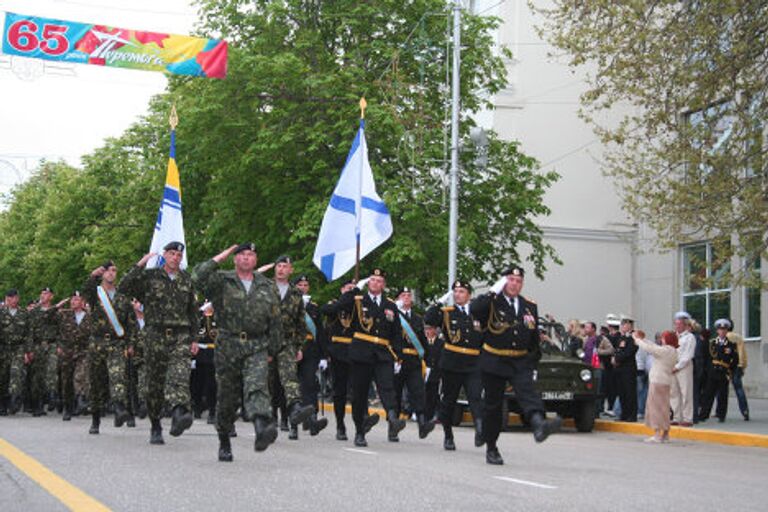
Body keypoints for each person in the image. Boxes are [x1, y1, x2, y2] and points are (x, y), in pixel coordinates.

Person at [471, 266, 561, 465]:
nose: (515, 284)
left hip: (520, 360)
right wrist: (493, 290)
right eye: (511, 280)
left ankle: (539, 425)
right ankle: (492, 447)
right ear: (504, 281)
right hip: (494, 359)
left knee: (528, 393)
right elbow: (475, 310)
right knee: (493, 406)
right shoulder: (491, 302)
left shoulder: (529, 306)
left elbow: (532, 338)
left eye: (518, 281)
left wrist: (533, 363)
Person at [118, 242, 199, 445]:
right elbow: (124, 288)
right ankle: (156, 424)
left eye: (178, 255)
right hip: (155, 335)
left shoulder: (186, 280)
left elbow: (193, 311)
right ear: (164, 255)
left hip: (180, 335)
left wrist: (194, 338)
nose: (175, 258)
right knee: (154, 384)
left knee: (179, 375)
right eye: (172, 254)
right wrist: (140, 264)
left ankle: (179, 413)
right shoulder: (150, 276)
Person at [336, 268, 406, 447]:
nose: (376, 283)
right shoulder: (358, 300)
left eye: (380, 281)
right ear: (368, 282)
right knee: (360, 394)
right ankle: (360, 431)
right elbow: (340, 306)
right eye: (373, 280)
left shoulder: (390, 305)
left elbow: (396, 332)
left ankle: (392, 417)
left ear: (384, 284)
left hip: (383, 352)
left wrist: (398, 355)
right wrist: (353, 290)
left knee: (387, 387)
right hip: (361, 352)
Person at [424, 280, 484, 451]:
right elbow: (429, 319)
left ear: (469, 295)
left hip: (473, 363)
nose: (458, 294)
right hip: (452, 363)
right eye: (455, 291)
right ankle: (448, 435)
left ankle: (480, 428)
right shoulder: (446, 313)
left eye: (462, 291)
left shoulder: (478, 313)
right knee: (449, 401)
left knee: (475, 397)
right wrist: (439, 302)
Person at [84, 261, 136, 434]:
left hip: (116, 342)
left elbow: (130, 323)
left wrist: (130, 344)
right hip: (97, 343)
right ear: (102, 273)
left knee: (118, 375)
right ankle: (95, 418)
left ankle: (119, 408)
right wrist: (93, 276)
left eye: (114, 270)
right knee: (97, 382)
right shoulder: (96, 294)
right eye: (108, 271)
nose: (111, 273)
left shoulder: (122, 297)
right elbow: (86, 291)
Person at [269, 256, 315, 441]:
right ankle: (269, 417)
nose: (281, 269)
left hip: (287, 343)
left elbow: (300, 323)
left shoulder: (296, 294)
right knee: (269, 383)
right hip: (266, 343)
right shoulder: (264, 289)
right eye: (278, 266)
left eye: (284, 266)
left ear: (291, 270)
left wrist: (298, 346)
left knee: (290, 378)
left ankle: (295, 410)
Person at [393, 287, 435, 439]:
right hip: (398, 360)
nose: (407, 297)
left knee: (418, 392)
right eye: (403, 295)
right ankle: (393, 428)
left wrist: (428, 362)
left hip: (414, 361)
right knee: (395, 394)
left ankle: (422, 424)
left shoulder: (417, 319)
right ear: (397, 299)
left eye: (409, 295)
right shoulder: (394, 317)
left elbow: (423, 342)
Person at [320, 280, 357, 440]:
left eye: (352, 289)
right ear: (342, 290)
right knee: (339, 391)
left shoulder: (359, 307)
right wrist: (349, 295)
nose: (350, 291)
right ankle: (340, 424)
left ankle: (361, 422)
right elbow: (327, 310)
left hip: (356, 353)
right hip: (338, 353)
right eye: (348, 289)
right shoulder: (335, 304)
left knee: (358, 390)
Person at [293, 274, 329, 436]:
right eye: (300, 285)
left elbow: (320, 333)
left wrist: (323, 355)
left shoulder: (314, 307)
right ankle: (292, 423)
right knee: (293, 386)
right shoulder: (288, 303)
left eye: (305, 285)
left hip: (310, 350)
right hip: (292, 348)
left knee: (310, 384)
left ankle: (312, 419)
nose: (303, 287)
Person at [632, 330, 678, 443]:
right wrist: (643, 339)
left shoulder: (665, 350)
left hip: (657, 381)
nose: (661, 340)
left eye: (663, 338)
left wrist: (637, 340)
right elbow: (653, 346)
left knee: (655, 408)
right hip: (665, 381)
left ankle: (657, 434)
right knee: (664, 408)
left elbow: (650, 349)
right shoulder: (673, 351)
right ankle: (665, 434)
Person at [56, 291, 91, 421]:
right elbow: (44, 318)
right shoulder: (64, 314)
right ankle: (68, 407)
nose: (73, 302)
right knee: (67, 381)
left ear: (82, 302)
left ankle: (81, 398)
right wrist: (57, 307)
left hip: (83, 351)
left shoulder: (89, 316)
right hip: (67, 351)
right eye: (72, 299)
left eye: (76, 299)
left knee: (80, 375)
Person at [698, 319, 739, 423]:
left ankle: (721, 415)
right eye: (720, 329)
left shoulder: (731, 345)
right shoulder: (712, 343)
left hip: (723, 371)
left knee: (723, 395)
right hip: (713, 371)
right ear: (717, 331)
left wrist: (730, 371)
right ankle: (704, 414)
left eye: (724, 329)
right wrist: (707, 371)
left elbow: (735, 359)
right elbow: (707, 358)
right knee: (708, 394)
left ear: (727, 331)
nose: (722, 331)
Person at [0, 289, 29, 416]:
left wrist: (28, 351)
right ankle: (3, 404)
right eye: (10, 297)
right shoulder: (1, 313)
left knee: (16, 372)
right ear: (7, 299)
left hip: (18, 348)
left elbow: (29, 333)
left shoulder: (24, 313)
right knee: (3, 376)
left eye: (15, 297)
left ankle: (14, 399)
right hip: (3, 348)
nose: (13, 300)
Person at [192, 302, 218, 425]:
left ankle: (212, 410)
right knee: (198, 382)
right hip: (200, 354)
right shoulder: (199, 318)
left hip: (214, 353)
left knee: (212, 383)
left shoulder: (218, 317)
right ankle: (197, 407)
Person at [670, 311, 696, 427]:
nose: (677, 326)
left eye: (679, 324)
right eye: (676, 324)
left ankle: (687, 418)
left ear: (685, 325)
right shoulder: (673, 336)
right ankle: (676, 417)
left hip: (684, 367)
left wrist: (678, 366)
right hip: (672, 367)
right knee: (674, 393)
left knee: (686, 393)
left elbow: (688, 355)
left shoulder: (689, 337)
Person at [613, 315, 638, 422]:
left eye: (624, 324)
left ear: (630, 325)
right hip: (620, 369)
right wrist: (615, 358)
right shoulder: (621, 337)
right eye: (622, 324)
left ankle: (631, 415)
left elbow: (629, 352)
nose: (622, 326)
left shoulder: (634, 337)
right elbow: (617, 349)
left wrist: (617, 358)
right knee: (622, 393)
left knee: (629, 393)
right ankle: (624, 414)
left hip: (628, 369)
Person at [726, 329, 750, 421]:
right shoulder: (739, 337)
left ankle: (720, 412)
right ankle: (745, 410)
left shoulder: (724, 338)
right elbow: (743, 353)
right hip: (738, 366)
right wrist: (743, 365)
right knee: (739, 389)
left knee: (721, 390)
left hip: (727, 366)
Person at [422, 323, 444, 423]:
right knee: (423, 394)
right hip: (423, 371)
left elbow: (441, 358)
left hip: (435, 372)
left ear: (435, 330)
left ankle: (433, 415)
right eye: (426, 329)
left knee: (434, 395)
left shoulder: (440, 343)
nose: (427, 331)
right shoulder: (422, 342)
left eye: (429, 329)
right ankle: (424, 415)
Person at [602, 314, 621, 416]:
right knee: (608, 388)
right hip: (608, 366)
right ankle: (610, 406)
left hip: (613, 366)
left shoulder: (616, 337)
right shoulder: (610, 337)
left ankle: (612, 407)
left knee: (613, 388)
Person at [635, 329, 653, 419]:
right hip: (647, 369)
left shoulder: (638, 343)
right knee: (645, 391)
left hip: (638, 369)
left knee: (639, 391)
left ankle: (640, 410)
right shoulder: (649, 342)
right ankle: (643, 410)